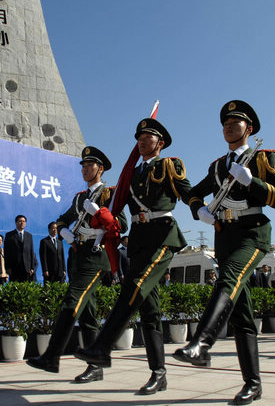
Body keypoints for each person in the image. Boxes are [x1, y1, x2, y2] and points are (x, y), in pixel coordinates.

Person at [173, 100, 275, 405]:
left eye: (236, 122)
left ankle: (201, 343)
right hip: (224, 236)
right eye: (225, 123)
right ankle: (253, 384)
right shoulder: (217, 166)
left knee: (229, 279)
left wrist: (252, 182)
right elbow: (193, 192)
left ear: (249, 129)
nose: (229, 126)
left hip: (252, 234)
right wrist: (199, 210)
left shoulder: (262, 157)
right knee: (242, 314)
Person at [75, 118, 193, 395]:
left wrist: (202, 207)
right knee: (149, 311)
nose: (142, 140)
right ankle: (158, 373)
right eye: (139, 137)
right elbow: (115, 213)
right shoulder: (130, 174)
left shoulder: (168, 165)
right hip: (139, 239)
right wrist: (98, 214)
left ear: (159, 143)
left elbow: (188, 192)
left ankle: (102, 346)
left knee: (134, 286)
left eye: (148, 136)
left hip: (163, 234)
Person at [27, 146, 127, 385]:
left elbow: (120, 225)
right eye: (82, 165)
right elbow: (63, 218)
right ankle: (96, 367)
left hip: (96, 256)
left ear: (100, 169)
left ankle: (52, 356)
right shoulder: (79, 198)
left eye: (89, 165)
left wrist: (100, 213)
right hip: (78, 255)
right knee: (88, 313)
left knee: (72, 299)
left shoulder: (109, 195)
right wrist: (64, 232)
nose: (84, 169)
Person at [4, 215, 38, 282]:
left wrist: (32, 267)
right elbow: (7, 253)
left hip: (27, 268)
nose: (22, 223)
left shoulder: (29, 236)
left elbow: (31, 252)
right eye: (20, 221)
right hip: (14, 268)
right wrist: (8, 267)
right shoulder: (9, 235)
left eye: (24, 221)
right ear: (16, 223)